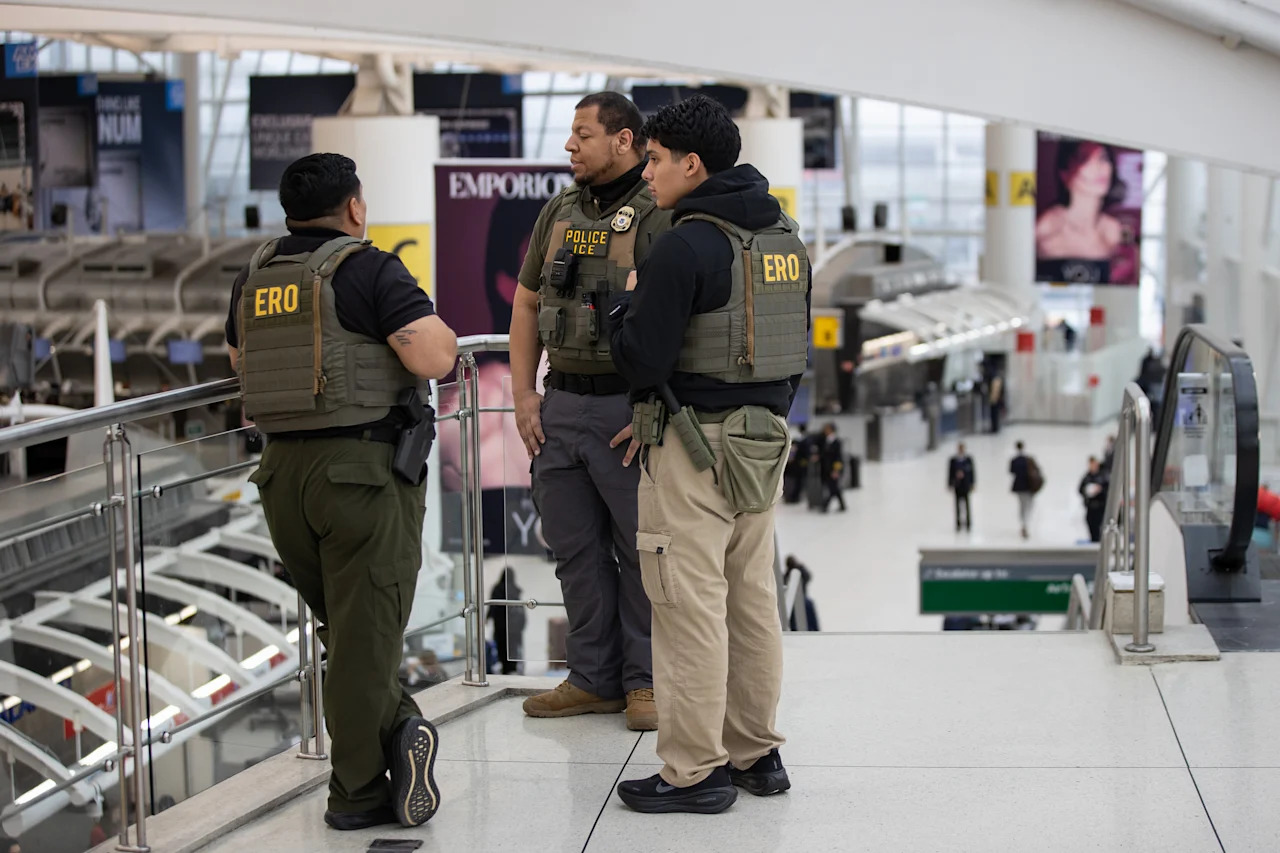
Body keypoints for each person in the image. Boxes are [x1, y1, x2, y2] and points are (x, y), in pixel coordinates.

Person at [226, 153, 458, 831]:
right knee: (365, 634)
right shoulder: (367, 266)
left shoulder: (255, 275)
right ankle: (357, 787)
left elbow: (242, 359)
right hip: (360, 476)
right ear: (355, 208)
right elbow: (431, 354)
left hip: (279, 479)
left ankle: (394, 733)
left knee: (351, 635)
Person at [608, 94, 810, 814]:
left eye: (656, 160)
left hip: (692, 446)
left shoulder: (684, 245)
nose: (648, 172)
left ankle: (695, 769)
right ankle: (758, 753)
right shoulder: (785, 236)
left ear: (692, 165)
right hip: (762, 441)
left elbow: (641, 358)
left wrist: (621, 311)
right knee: (753, 600)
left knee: (687, 605)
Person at [508, 92, 670, 732]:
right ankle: (591, 678)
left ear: (624, 140)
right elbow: (525, 306)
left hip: (625, 409)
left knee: (640, 552)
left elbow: (676, 321)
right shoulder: (558, 212)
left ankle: (646, 682)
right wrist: (525, 393)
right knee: (572, 550)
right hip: (561, 406)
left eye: (582, 135)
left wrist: (652, 403)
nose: (570, 146)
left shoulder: (659, 213)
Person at [1035, 142, 1126, 264]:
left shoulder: (1112, 229)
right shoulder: (1048, 225)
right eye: (1085, 159)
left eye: (1103, 158)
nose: (1099, 167)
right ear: (1064, 173)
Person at [487, 567, 526, 675]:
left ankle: (505, 668)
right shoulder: (515, 589)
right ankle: (512, 668)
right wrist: (522, 624)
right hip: (514, 629)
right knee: (513, 648)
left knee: (502, 648)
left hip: (500, 627)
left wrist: (487, 618)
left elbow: (492, 605)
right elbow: (520, 609)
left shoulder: (497, 588)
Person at [1010, 441, 1037, 539]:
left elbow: (1011, 471)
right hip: (1028, 486)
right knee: (1028, 506)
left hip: (1019, 487)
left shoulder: (1014, 460)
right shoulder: (1028, 460)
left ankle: (1023, 523)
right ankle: (1025, 524)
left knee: (1022, 506)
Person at [1079, 456, 1110, 542]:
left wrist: (1099, 489)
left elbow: (1108, 489)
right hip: (1090, 507)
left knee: (1100, 529)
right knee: (1092, 528)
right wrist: (1087, 490)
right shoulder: (1087, 477)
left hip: (1101, 507)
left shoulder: (1104, 476)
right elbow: (1080, 489)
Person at [819, 422, 846, 513]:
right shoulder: (826, 440)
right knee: (834, 488)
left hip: (833, 469)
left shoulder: (836, 442)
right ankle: (842, 505)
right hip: (827, 469)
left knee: (833, 488)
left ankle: (825, 505)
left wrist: (836, 470)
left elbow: (838, 457)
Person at [948, 443, 975, 531]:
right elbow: (950, 473)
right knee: (957, 505)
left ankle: (968, 523)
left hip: (966, 485)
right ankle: (958, 523)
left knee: (967, 505)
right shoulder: (953, 460)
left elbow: (972, 472)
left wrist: (972, 483)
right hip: (957, 485)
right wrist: (950, 484)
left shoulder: (968, 459)